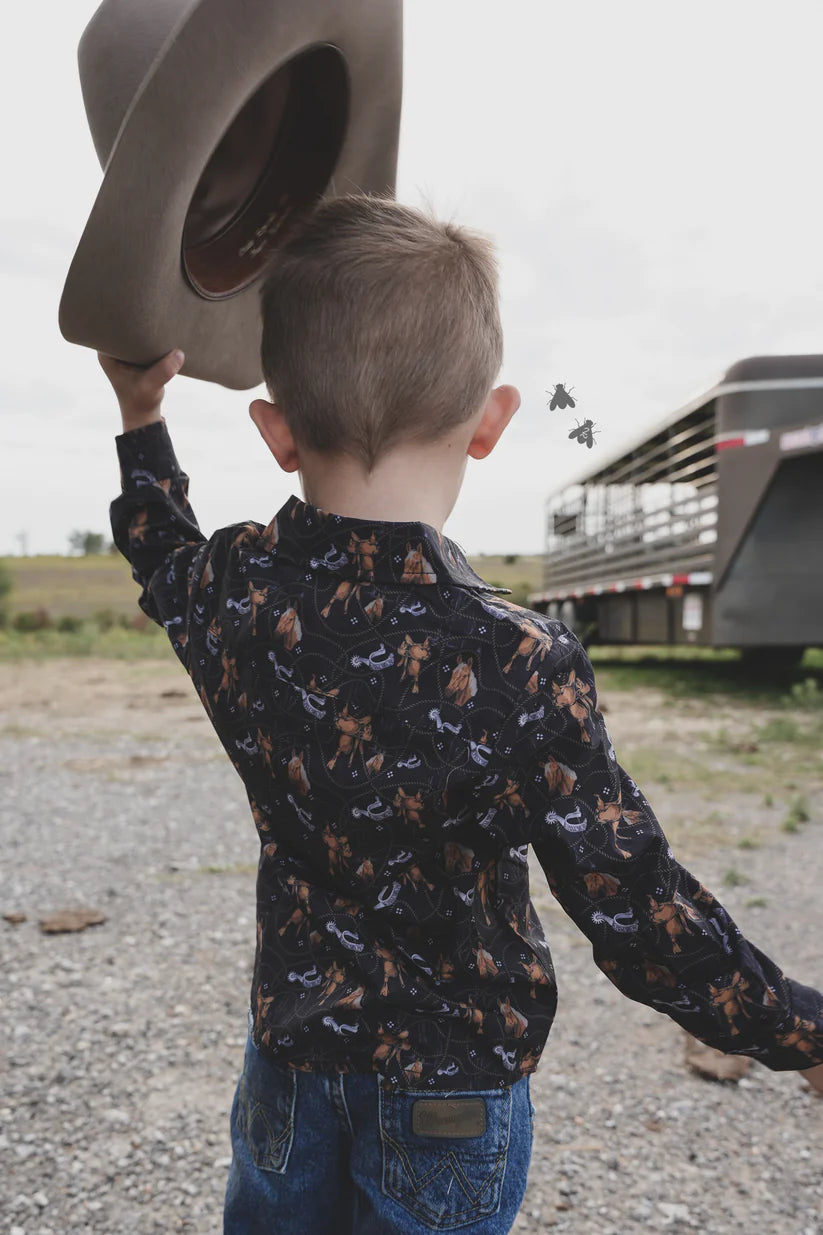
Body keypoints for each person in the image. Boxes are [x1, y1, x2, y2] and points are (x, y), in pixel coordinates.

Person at [101, 194, 823, 1235]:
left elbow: (160, 550)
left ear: (276, 431)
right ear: (490, 419)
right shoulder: (521, 663)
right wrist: (797, 1025)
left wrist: (141, 414)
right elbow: (639, 911)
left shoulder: (238, 593)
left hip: (288, 1073)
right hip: (450, 1097)